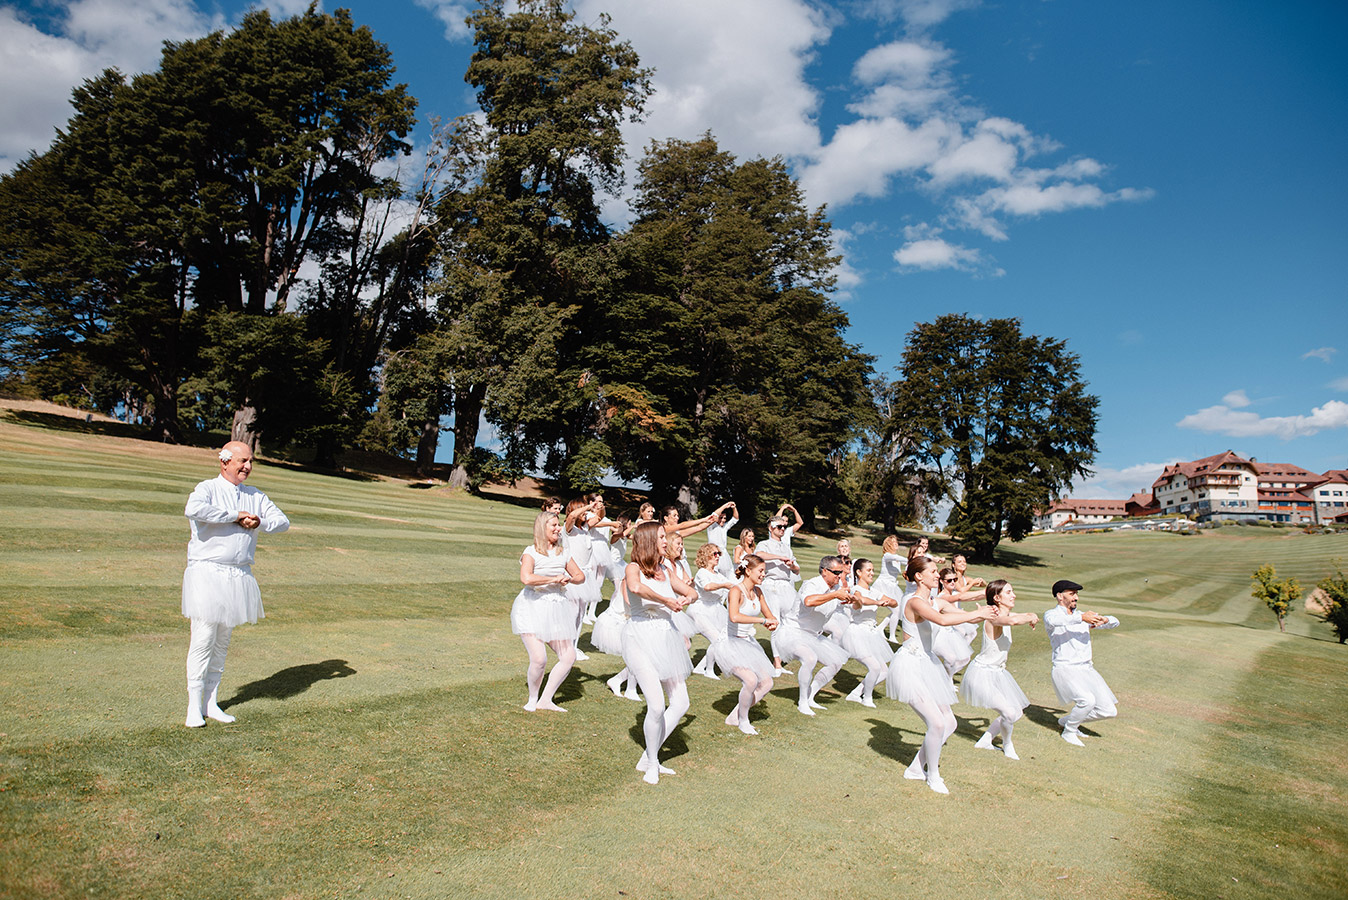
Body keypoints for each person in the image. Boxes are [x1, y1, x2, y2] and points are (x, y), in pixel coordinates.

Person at [181, 441, 290, 728]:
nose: (248, 467)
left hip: (237, 575)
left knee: (222, 642)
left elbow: (282, 521)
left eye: (251, 461)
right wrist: (235, 515)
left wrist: (259, 522)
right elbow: (194, 509)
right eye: (242, 461)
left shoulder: (254, 495)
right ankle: (194, 706)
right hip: (208, 573)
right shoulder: (207, 489)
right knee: (203, 639)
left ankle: (211, 702)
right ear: (225, 462)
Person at [886, 556, 995, 794]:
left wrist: (985, 613)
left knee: (950, 723)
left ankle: (915, 768)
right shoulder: (914, 602)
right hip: (911, 665)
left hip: (929, 664)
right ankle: (933, 775)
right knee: (936, 723)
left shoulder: (936, 600)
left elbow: (955, 612)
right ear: (919, 576)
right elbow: (944, 621)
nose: (938, 575)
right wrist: (978, 615)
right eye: (933, 571)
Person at [622, 522, 697, 784]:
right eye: (662, 537)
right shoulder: (633, 568)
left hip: (665, 637)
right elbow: (635, 588)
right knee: (655, 706)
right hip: (639, 638)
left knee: (681, 703)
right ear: (648, 540)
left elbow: (691, 592)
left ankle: (648, 756)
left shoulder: (666, 568)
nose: (666, 541)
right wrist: (666, 600)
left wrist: (687, 598)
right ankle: (652, 763)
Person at [510, 511, 586, 712]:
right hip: (531, 607)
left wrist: (570, 578)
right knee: (539, 659)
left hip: (557, 608)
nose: (558, 528)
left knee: (569, 656)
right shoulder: (531, 552)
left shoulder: (563, 552)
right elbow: (526, 578)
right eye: (553, 525)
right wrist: (553, 579)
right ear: (542, 528)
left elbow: (580, 576)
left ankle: (546, 700)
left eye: (558, 525)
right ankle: (532, 699)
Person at [960, 580, 1038, 759]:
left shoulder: (1005, 614)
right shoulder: (994, 618)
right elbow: (1014, 620)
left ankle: (986, 740)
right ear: (997, 598)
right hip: (982, 674)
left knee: (1016, 711)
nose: (1014, 595)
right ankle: (1007, 745)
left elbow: (1021, 615)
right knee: (1009, 713)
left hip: (997, 672)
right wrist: (1028, 618)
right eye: (1009, 592)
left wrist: (1032, 615)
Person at [1045, 579, 1120, 747]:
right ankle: (1069, 731)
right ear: (1059, 596)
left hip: (1087, 670)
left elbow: (1116, 621)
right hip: (1065, 669)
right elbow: (1055, 622)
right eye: (1071, 594)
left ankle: (1067, 721)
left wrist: (1105, 620)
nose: (1076, 598)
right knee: (1087, 701)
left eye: (1076, 594)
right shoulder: (1052, 615)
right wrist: (1082, 618)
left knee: (1109, 711)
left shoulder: (1084, 617)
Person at [708, 554, 777, 734]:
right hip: (730, 643)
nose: (764, 574)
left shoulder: (758, 592)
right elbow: (734, 616)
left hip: (748, 643)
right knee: (751, 680)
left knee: (767, 683)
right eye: (761, 571)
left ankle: (735, 716)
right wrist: (762, 621)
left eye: (764, 571)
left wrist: (772, 622)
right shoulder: (735, 591)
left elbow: (769, 615)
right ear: (748, 570)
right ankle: (743, 721)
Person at [778, 556, 853, 715]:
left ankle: (810, 695)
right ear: (824, 571)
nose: (839, 576)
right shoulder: (812, 584)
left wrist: (851, 599)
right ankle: (802, 702)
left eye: (841, 572)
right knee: (810, 658)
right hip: (793, 631)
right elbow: (809, 602)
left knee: (835, 663)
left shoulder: (835, 588)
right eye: (836, 572)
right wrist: (834, 595)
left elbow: (846, 601)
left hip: (813, 635)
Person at [839, 558, 899, 708]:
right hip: (857, 633)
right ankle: (867, 697)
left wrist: (887, 602)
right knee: (875, 667)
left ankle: (855, 693)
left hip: (871, 633)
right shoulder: (854, 590)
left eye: (873, 570)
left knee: (884, 670)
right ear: (859, 572)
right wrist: (877, 602)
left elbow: (894, 602)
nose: (872, 573)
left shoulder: (874, 591)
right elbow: (861, 599)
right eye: (869, 570)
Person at [756, 515, 801, 675]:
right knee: (775, 623)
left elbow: (796, 570)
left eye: (783, 527)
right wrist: (778, 557)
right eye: (778, 527)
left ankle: (787, 654)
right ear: (771, 528)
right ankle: (777, 664)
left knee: (792, 621)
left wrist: (792, 565)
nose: (782, 529)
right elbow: (759, 555)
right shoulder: (765, 544)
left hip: (785, 586)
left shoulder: (786, 547)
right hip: (771, 585)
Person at [689, 543, 734, 679]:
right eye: (714, 554)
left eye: (719, 554)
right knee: (717, 640)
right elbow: (707, 587)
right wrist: (723, 585)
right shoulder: (702, 573)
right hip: (701, 610)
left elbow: (731, 584)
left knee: (723, 639)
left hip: (716, 609)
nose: (717, 557)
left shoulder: (718, 574)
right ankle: (709, 670)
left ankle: (700, 667)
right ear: (706, 555)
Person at [705, 503, 739, 579]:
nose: (723, 520)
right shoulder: (711, 526)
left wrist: (734, 508)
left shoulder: (724, 527)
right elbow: (714, 514)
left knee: (729, 574)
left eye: (724, 518)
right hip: (713, 553)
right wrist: (725, 506)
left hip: (724, 554)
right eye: (721, 518)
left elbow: (735, 519)